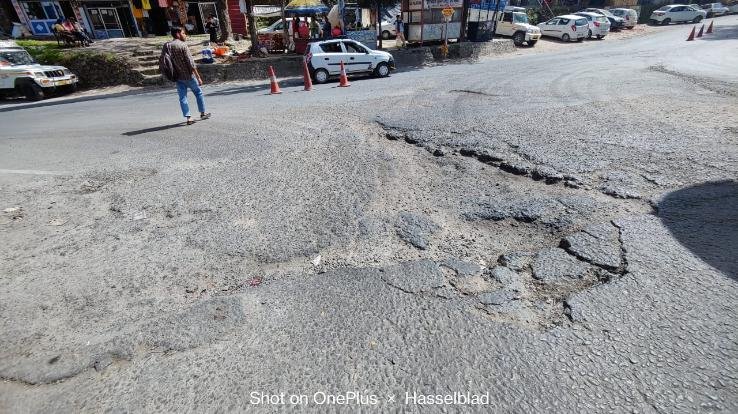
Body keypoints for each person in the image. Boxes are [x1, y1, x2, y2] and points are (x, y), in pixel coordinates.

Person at [167, 27, 210, 125]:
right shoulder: (183, 45)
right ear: (178, 34)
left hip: (177, 77)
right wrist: (198, 77)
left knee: (182, 98)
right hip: (188, 76)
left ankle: (188, 118)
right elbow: (191, 63)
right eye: (183, 33)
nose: (185, 35)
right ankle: (202, 113)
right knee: (198, 93)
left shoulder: (168, 46)